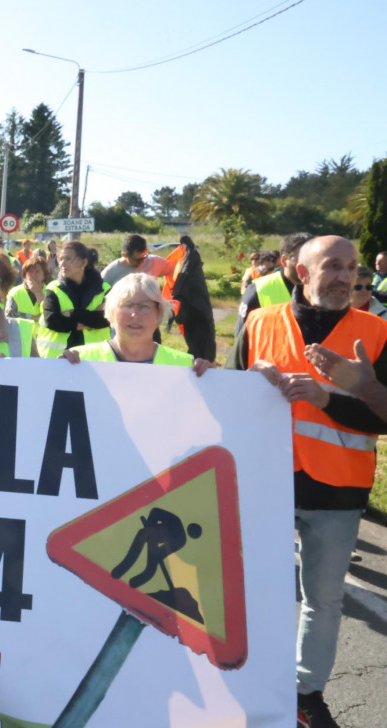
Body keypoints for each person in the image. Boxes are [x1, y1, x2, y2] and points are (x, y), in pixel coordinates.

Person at [225, 236, 387, 728]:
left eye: (352, 268)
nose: (345, 277)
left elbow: (383, 417)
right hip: (265, 484)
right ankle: (245, 684)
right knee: (252, 593)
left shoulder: (376, 332)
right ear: (300, 272)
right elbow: (227, 399)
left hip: (338, 489)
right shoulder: (258, 322)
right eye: (332, 266)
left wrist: (329, 398)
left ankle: (306, 694)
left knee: (323, 600)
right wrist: (247, 379)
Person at [61, 273, 210, 375]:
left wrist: (212, 380)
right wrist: (56, 371)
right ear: (111, 312)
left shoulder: (186, 366)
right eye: (127, 305)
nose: (135, 314)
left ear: (158, 313)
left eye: (144, 307)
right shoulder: (79, 360)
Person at [37, 241, 110, 358]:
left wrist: (72, 313)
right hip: (57, 359)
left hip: (95, 358)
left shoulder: (103, 289)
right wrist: (90, 319)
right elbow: (52, 321)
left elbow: (108, 320)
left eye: (68, 259)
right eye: (60, 259)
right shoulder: (53, 288)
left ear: (84, 262)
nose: (62, 264)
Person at [234, 232, 313, 338]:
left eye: (313, 259)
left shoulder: (328, 289)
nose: (309, 264)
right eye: (301, 259)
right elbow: (241, 338)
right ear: (284, 261)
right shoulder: (258, 290)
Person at [165, 235, 216, 362]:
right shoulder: (191, 261)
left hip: (194, 310)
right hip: (197, 310)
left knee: (198, 340)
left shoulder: (188, 261)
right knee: (202, 339)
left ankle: (200, 358)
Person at [101, 234, 172, 287]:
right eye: (138, 260)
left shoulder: (155, 262)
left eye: (144, 257)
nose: (142, 262)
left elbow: (176, 272)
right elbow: (100, 297)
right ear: (124, 255)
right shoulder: (110, 272)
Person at [5, 253, 48, 322]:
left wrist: (38, 293)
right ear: (25, 274)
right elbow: (9, 315)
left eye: (37, 271)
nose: (33, 275)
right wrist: (33, 317)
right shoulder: (15, 292)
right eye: (30, 271)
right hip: (21, 332)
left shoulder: (51, 292)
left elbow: (52, 314)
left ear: (44, 275)